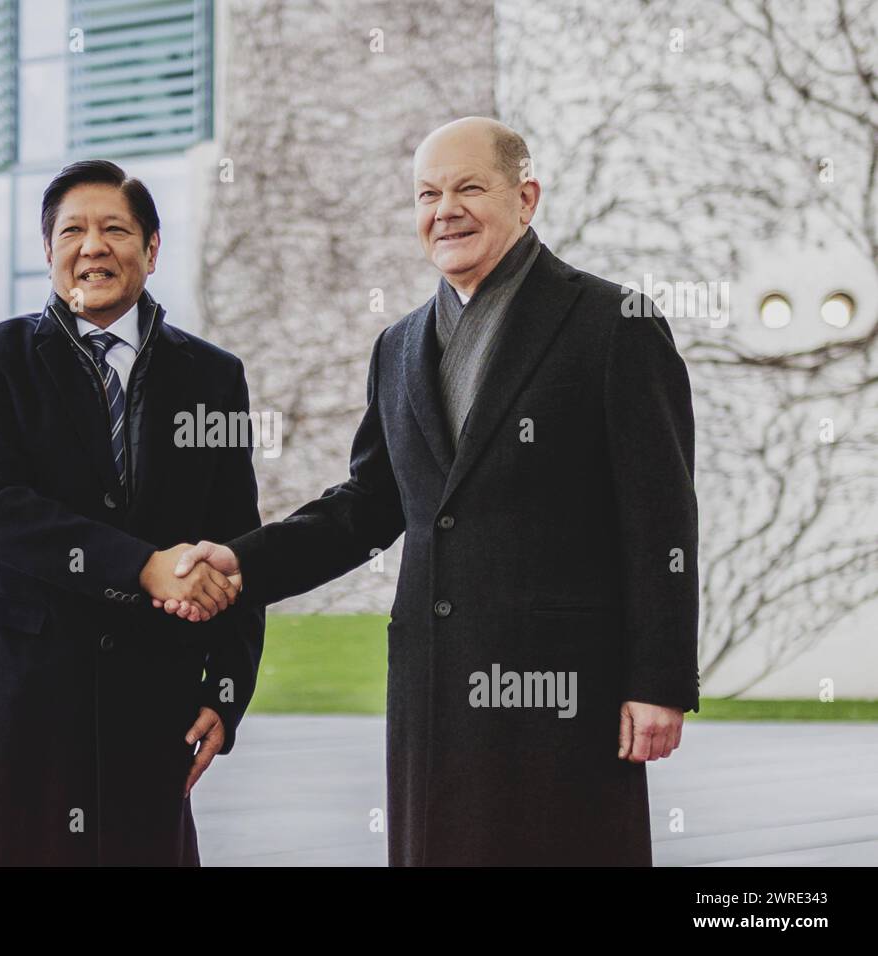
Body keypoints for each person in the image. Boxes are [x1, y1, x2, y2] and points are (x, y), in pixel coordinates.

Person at [162, 117, 700, 866]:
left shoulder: (613, 326)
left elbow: (662, 519)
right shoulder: (400, 346)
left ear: (526, 197)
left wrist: (660, 680)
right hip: (434, 688)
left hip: (561, 694)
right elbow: (365, 508)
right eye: (427, 193)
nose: (444, 208)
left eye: (469, 187)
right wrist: (242, 561)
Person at [0, 160, 265, 866]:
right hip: (18, 694)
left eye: (115, 229)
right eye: (73, 230)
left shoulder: (212, 377)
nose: (92, 246)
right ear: (48, 252)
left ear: (152, 248)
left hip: (148, 698)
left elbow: (236, 541)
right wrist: (143, 567)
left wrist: (227, 689)